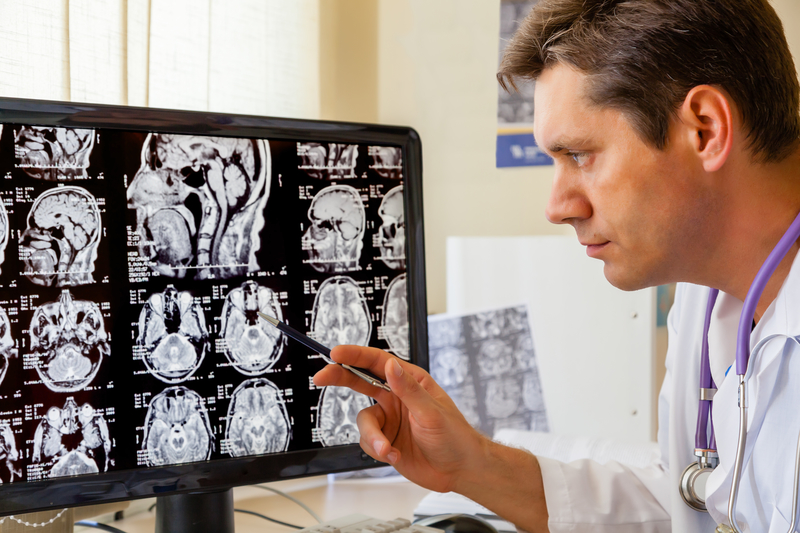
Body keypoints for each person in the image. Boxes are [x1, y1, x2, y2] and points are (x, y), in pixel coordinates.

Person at [314, 0, 800, 531]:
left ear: (704, 129)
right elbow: (687, 501)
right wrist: (472, 466)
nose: (557, 206)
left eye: (580, 155)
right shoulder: (706, 297)